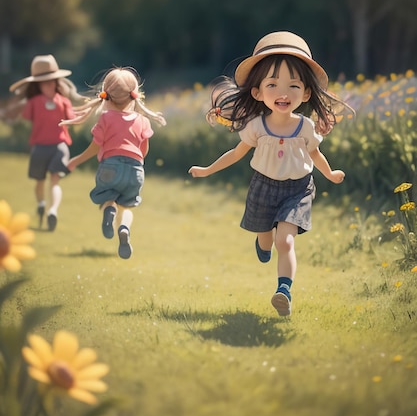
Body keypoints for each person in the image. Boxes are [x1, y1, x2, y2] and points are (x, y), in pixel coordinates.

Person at [189, 31, 353, 317]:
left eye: (293, 85)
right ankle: (262, 242)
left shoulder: (304, 128)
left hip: (298, 189)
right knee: (265, 240)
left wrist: (330, 174)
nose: (283, 93)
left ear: (305, 93)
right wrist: (207, 169)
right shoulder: (257, 127)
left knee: (284, 241)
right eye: (273, 84)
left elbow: (316, 154)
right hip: (263, 187)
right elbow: (237, 153)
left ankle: (283, 291)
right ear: (257, 92)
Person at [61, 67, 166, 259]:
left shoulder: (105, 118)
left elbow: (94, 148)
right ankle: (124, 229)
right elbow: (144, 151)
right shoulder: (142, 120)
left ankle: (109, 209)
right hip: (136, 170)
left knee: (108, 197)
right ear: (134, 95)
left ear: (105, 95)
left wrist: (75, 161)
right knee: (126, 207)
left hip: (110, 166)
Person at [5, 54, 81, 231]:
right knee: (46, 182)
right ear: (38, 84)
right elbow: (73, 119)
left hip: (51, 147)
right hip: (49, 147)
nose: (49, 85)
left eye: (52, 81)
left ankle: (49, 208)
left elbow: (71, 119)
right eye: (46, 82)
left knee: (48, 181)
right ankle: (45, 206)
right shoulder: (49, 102)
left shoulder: (49, 102)